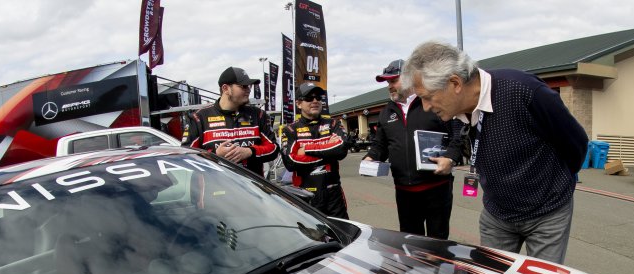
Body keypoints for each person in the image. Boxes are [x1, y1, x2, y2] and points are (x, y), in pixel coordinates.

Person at [401, 41, 588, 262]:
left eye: (427, 97)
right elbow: (458, 144)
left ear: (455, 83)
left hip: (547, 213)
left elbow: (576, 142)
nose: (425, 107)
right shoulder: (452, 111)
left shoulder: (523, 90)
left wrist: (556, 185)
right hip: (497, 214)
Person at [362, 59, 464, 240]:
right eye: (387, 82)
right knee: (410, 242)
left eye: (394, 81)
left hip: (436, 188)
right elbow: (380, 145)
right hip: (404, 192)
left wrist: (450, 157)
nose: (390, 86)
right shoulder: (387, 112)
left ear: (410, 78)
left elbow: (457, 135)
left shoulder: (432, 102)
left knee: (437, 242)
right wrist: (371, 157)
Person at [182, 66, 279, 178]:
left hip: (252, 187)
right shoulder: (199, 117)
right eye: (243, 86)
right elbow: (186, 157)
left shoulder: (258, 114)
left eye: (249, 86)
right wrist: (215, 155)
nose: (248, 90)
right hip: (215, 186)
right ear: (225, 89)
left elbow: (274, 149)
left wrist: (249, 152)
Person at [280, 82, 350, 218]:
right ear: (299, 104)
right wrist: (328, 150)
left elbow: (341, 150)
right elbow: (290, 162)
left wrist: (305, 149)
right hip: (305, 194)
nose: (315, 101)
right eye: (309, 98)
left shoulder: (333, 123)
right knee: (310, 231)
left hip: (333, 193)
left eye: (318, 97)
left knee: (342, 230)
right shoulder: (290, 129)